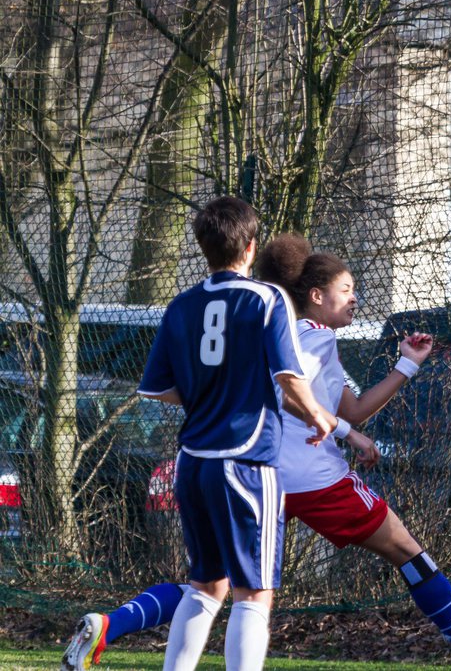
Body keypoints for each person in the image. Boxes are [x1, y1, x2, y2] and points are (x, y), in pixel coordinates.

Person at [63, 234, 451, 671]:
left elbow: (355, 407)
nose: (354, 298)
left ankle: (111, 625)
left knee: (211, 584)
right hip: (309, 478)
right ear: (315, 295)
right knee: (408, 553)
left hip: (255, 474)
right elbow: (286, 387)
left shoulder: (299, 335)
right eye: (346, 288)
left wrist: (406, 366)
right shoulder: (313, 336)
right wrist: (337, 427)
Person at [128, 197, 336, 671]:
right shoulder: (267, 298)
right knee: (253, 592)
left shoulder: (181, 305)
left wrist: (208, 393)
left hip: (193, 462)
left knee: (206, 584)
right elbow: (288, 376)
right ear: (249, 246)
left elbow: (157, 389)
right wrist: (319, 417)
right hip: (245, 461)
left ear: (205, 247)